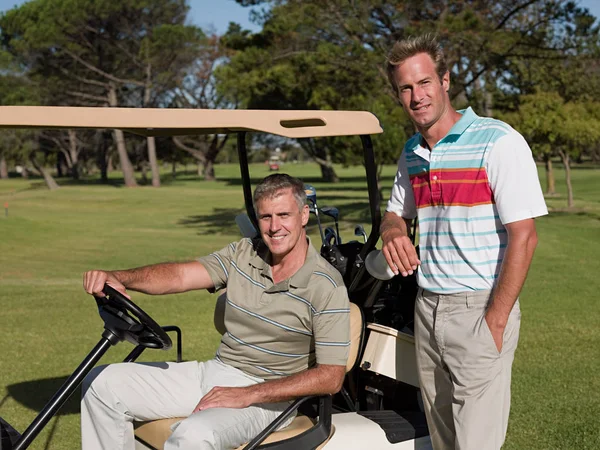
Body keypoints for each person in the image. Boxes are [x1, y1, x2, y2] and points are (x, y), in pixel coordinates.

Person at [80, 173, 350, 450]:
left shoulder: (325, 285)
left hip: (270, 399)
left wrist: (248, 394)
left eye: (284, 214)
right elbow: (180, 276)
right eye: (266, 217)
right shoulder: (244, 253)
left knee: (194, 434)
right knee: (101, 383)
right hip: (216, 372)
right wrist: (120, 277)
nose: (274, 226)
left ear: (304, 215)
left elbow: (331, 376)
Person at [380, 34, 547, 450]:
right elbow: (393, 214)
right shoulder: (412, 152)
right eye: (406, 87)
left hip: (480, 308)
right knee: (443, 440)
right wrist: (394, 232)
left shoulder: (498, 141)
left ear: (446, 81)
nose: (417, 96)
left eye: (424, 83)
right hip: (428, 307)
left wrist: (496, 319)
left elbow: (524, 237)